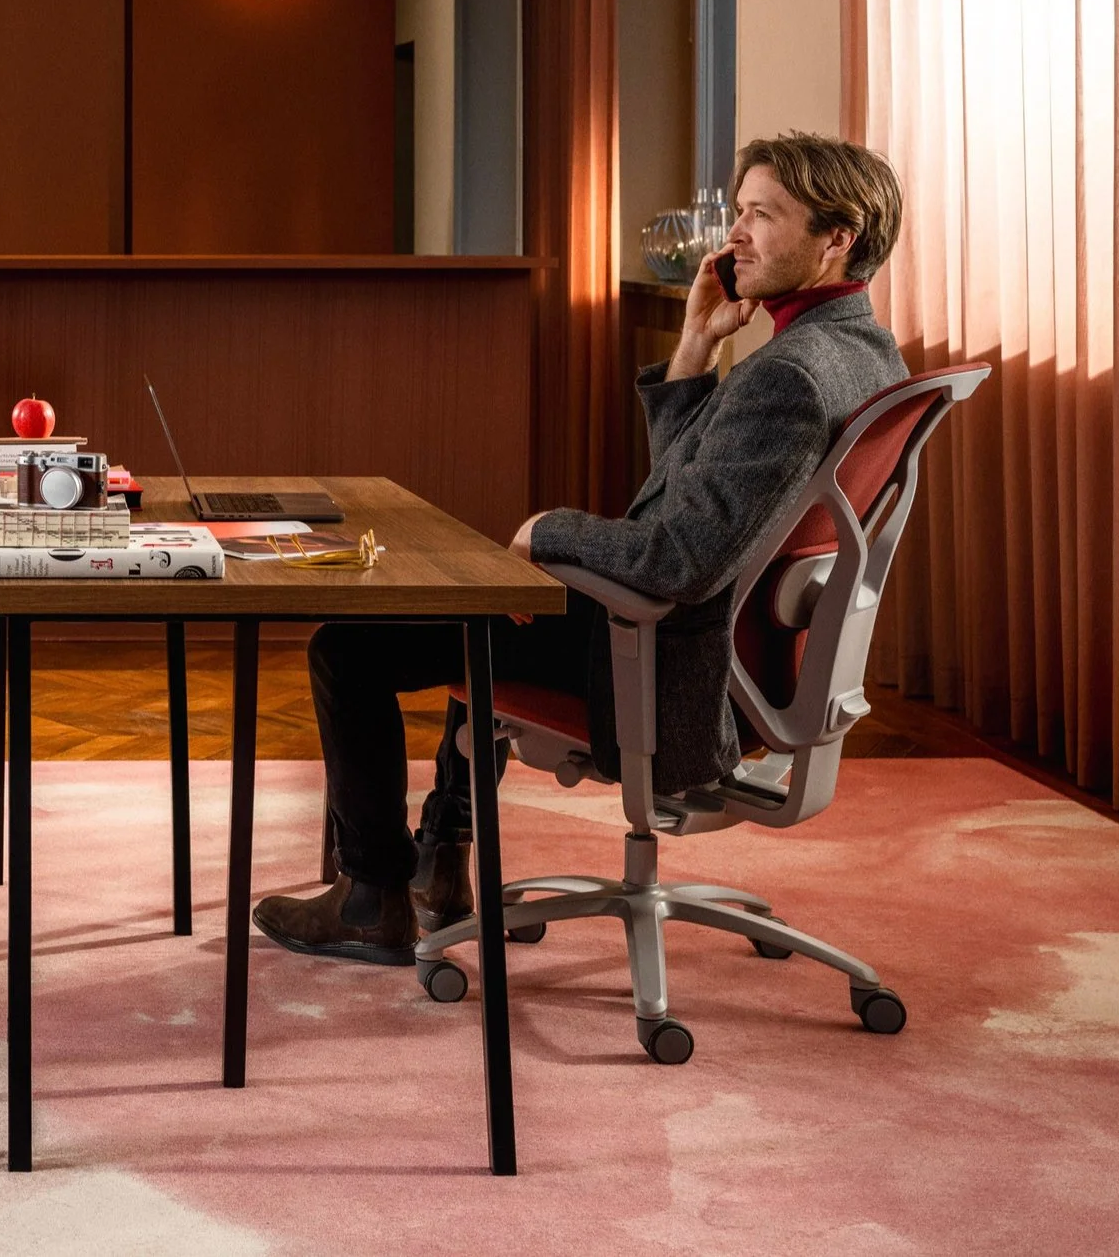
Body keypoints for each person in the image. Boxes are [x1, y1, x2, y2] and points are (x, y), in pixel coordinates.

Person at [257, 132, 912, 966]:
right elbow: (693, 496)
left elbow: (679, 556)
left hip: (672, 670)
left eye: (760, 215)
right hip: (737, 660)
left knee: (349, 650)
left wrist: (546, 531)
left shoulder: (789, 376)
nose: (736, 234)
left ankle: (370, 899)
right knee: (486, 610)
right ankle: (438, 868)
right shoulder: (861, 354)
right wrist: (694, 349)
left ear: (837, 237)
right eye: (740, 211)